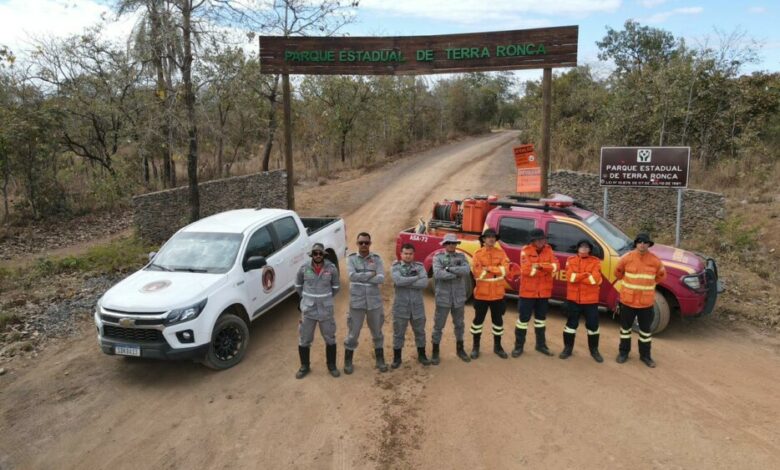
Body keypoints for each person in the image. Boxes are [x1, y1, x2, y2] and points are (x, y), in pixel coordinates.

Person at [615, 232, 666, 368]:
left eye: (645, 242)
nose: (642, 244)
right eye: (640, 242)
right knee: (625, 330)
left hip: (645, 303)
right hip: (628, 301)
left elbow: (661, 276)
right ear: (636, 244)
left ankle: (645, 356)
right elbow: (618, 273)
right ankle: (623, 353)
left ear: (649, 244)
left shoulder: (655, 261)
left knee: (645, 332)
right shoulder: (627, 258)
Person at [294, 243, 341, 379]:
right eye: (315, 253)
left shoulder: (331, 268)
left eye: (320, 253)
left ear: (324, 255)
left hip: (325, 310)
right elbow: (298, 285)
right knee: (304, 338)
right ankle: (304, 366)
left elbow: (336, 287)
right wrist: (306, 299)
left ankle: (331, 365)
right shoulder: (304, 268)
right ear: (312, 254)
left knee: (330, 338)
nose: (318, 256)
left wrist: (325, 298)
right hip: (308, 310)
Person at [343, 232, 388, 374]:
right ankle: (348, 361)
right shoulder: (351, 259)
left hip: (374, 302)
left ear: (370, 243)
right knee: (353, 333)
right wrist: (370, 275)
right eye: (361, 242)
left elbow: (381, 278)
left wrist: (361, 277)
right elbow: (351, 276)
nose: (363, 245)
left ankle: (380, 359)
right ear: (357, 244)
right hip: (357, 302)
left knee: (377, 332)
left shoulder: (377, 259)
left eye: (366, 243)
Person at [513, 228, 558, 358]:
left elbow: (556, 266)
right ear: (533, 240)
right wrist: (546, 267)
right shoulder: (525, 251)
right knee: (523, 320)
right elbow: (527, 271)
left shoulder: (549, 250)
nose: (541, 242)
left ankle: (541, 345)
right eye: (538, 239)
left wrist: (539, 266)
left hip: (543, 293)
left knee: (541, 320)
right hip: (528, 293)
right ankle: (518, 346)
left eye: (542, 239)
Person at [559, 239, 604, 362]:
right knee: (570, 326)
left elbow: (595, 280)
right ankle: (567, 349)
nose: (584, 249)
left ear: (590, 249)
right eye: (581, 247)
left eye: (586, 247)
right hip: (573, 300)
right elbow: (570, 277)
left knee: (593, 327)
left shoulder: (596, 262)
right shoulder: (570, 260)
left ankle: (594, 350)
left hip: (590, 301)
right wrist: (586, 275)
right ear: (577, 248)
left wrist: (578, 276)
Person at [431, 233, 472, 364]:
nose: (451, 245)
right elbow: (438, 274)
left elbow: (466, 270)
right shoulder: (438, 257)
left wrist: (449, 269)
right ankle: (435, 351)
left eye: (453, 243)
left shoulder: (462, 256)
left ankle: (460, 349)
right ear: (444, 244)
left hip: (458, 297)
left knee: (459, 324)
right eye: (448, 243)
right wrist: (455, 274)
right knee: (438, 325)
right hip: (443, 297)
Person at [470, 228, 510, 359]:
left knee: (498, 322)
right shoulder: (477, 254)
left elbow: (506, 270)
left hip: (497, 295)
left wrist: (488, 269)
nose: (491, 239)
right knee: (478, 322)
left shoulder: (501, 253)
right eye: (488, 237)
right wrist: (497, 270)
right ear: (483, 239)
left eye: (493, 237)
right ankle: (475, 347)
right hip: (482, 294)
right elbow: (477, 273)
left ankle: (498, 347)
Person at [390, 243, 431, 368]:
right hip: (401, 307)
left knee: (420, 332)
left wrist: (405, 281)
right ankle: (397, 358)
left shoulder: (419, 266)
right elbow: (398, 281)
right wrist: (415, 278)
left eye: (410, 254)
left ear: (414, 255)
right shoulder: (395, 267)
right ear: (401, 254)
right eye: (405, 253)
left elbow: (424, 283)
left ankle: (422, 355)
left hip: (417, 307)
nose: (408, 256)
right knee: (399, 333)